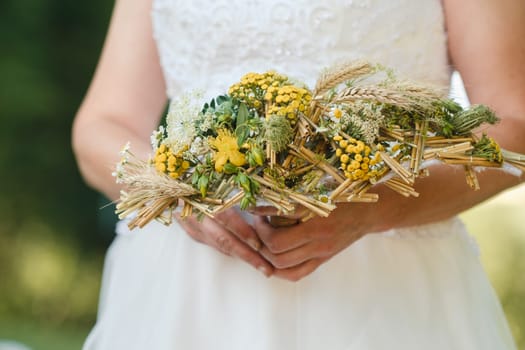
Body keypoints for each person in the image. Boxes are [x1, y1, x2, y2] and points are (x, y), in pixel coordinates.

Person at [72, 0, 525, 348]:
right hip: (190, 290)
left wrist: (374, 208)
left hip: (385, 288)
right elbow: (102, 125)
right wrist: (174, 191)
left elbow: (514, 122)